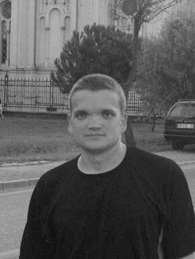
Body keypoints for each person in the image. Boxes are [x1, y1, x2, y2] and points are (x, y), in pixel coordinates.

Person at [20, 73, 195, 259]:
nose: (94, 124)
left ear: (123, 121)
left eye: (107, 114)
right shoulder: (49, 186)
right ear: (70, 123)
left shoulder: (164, 176)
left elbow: (184, 253)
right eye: (82, 114)